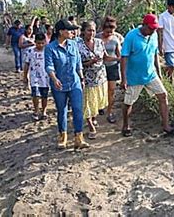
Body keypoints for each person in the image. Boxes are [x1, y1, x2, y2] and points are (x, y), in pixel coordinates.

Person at [120, 14, 174, 137]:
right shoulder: (131, 36)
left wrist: (159, 72)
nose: (153, 31)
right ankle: (126, 126)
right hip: (134, 77)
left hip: (150, 74)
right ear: (144, 25)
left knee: (163, 95)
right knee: (129, 102)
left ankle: (166, 126)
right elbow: (124, 57)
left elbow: (155, 54)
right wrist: (124, 79)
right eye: (151, 28)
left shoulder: (154, 35)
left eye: (155, 28)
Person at [45, 19, 89, 149]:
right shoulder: (50, 48)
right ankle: (62, 137)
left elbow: (78, 63)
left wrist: (81, 78)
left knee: (77, 109)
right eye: (69, 30)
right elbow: (49, 66)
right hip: (59, 85)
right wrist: (54, 79)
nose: (72, 32)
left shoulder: (73, 45)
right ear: (61, 32)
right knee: (62, 111)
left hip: (74, 83)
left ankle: (78, 138)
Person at [78, 21, 114, 139]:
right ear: (83, 31)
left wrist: (120, 58)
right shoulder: (77, 44)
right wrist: (90, 62)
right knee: (87, 103)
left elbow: (105, 57)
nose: (91, 33)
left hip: (100, 78)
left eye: (93, 30)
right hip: (87, 79)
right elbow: (77, 64)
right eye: (89, 30)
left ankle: (93, 118)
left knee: (96, 102)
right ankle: (90, 126)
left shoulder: (99, 42)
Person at [98, 18, 122, 123]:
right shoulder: (97, 38)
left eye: (112, 30)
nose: (109, 33)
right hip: (99, 68)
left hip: (112, 67)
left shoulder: (116, 39)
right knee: (101, 89)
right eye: (107, 31)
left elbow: (119, 55)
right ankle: (100, 105)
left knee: (111, 90)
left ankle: (110, 111)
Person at [23, 33, 50, 121]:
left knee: (44, 96)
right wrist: (25, 76)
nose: (40, 45)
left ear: (45, 42)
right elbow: (26, 64)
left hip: (45, 78)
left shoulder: (47, 51)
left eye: (42, 43)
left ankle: (44, 110)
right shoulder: (30, 51)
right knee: (35, 94)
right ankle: (36, 110)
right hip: (34, 77)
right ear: (35, 42)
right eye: (38, 43)